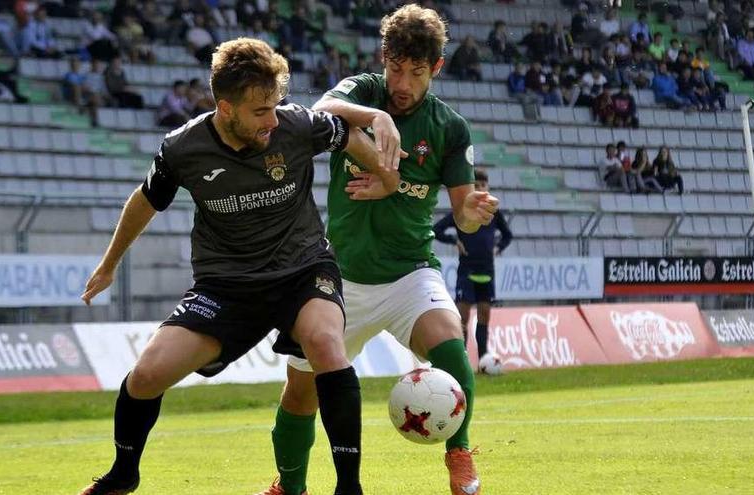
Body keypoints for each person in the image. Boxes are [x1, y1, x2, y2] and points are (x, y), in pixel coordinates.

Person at [77, 38, 390, 495]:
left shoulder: (296, 125)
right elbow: (146, 201)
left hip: (302, 270)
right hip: (226, 286)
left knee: (325, 343)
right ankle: (124, 473)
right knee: (145, 377)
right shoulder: (183, 148)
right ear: (226, 108)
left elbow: (346, 135)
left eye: (276, 105)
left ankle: (349, 487)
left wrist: (386, 176)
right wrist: (108, 266)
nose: (272, 119)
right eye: (260, 111)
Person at [257, 5, 499, 495]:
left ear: (436, 69)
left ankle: (459, 454)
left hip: (409, 272)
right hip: (335, 278)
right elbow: (321, 109)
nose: (401, 82)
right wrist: (377, 117)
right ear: (383, 59)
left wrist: (473, 210)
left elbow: (463, 215)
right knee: (301, 390)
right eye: (395, 69)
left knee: (451, 343)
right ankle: (290, 485)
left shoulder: (450, 129)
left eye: (414, 72)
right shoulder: (365, 92)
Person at [432, 169, 511, 371]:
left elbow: (508, 235)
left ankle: (483, 360)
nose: (480, 189)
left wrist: (497, 248)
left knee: (484, 315)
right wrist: (454, 240)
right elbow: (437, 229)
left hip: (487, 270)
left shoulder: (494, 214)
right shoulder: (462, 212)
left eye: (483, 186)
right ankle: (462, 362)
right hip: (466, 269)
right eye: (476, 186)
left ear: (488, 188)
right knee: (463, 317)